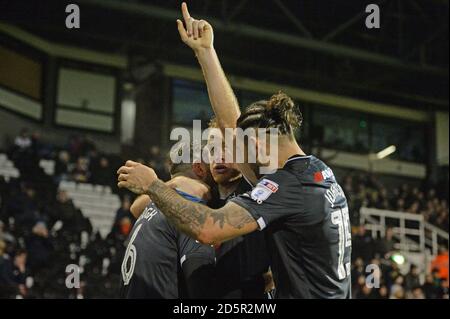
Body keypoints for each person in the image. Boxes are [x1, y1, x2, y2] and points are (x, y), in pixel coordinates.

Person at [117, 2, 351, 299]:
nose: (226, 154)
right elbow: (231, 124)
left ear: (255, 145)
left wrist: (152, 185)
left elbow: (207, 229)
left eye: (231, 147)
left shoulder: (285, 185)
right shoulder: (312, 171)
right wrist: (206, 53)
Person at [120, 142, 216, 299]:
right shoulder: (189, 212)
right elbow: (201, 287)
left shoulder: (153, 206)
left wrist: (163, 185)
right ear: (199, 169)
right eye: (214, 161)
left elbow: (135, 208)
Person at [207, 120, 271, 298]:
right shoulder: (203, 196)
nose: (218, 157)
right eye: (212, 149)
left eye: (226, 148)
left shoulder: (260, 190)